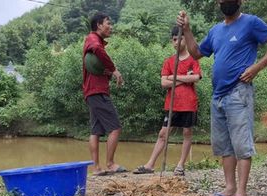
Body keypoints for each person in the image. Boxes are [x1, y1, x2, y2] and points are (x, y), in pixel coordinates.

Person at [177, 0, 267, 196]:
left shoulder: (251, 22)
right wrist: (187, 30)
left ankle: (241, 193)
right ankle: (229, 188)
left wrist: (257, 67)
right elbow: (197, 53)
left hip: (239, 91)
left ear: (240, 1)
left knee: (241, 143)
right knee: (224, 144)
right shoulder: (216, 30)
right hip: (218, 94)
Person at [133, 26, 202, 177]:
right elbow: (163, 83)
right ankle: (150, 164)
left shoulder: (192, 59)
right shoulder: (169, 61)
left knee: (187, 133)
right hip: (172, 104)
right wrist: (185, 79)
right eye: (174, 39)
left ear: (186, 39)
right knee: (163, 134)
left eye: (180, 38)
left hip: (189, 103)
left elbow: (196, 78)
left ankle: (180, 165)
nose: (177, 42)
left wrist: (173, 77)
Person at [82, 12, 126, 176]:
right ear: (99, 25)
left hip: (92, 91)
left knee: (96, 131)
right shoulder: (93, 39)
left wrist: (108, 73)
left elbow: (98, 66)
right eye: (108, 23)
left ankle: (96, 168)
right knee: (115, 128)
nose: (111, 26)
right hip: (97, 91)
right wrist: (114, 70)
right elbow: (98, 50)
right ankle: (110, 163)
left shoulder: (93, 40)